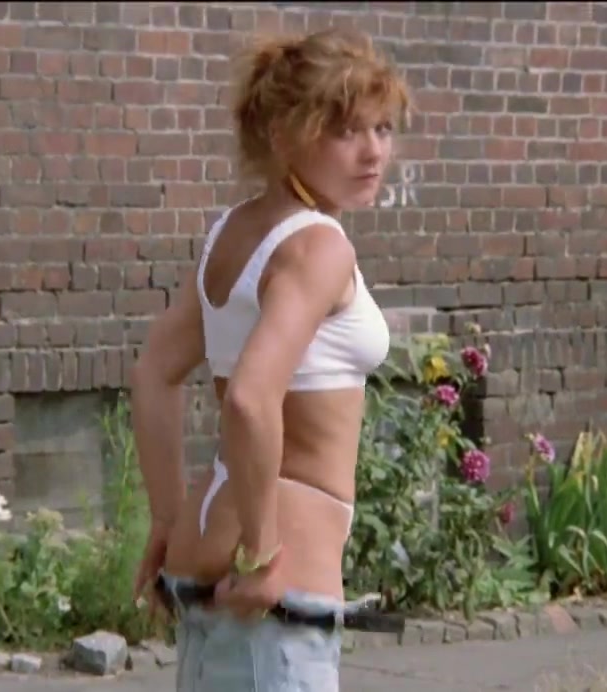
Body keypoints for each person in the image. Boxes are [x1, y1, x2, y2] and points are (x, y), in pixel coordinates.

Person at [127, 25, 411, 692]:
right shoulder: (319, 247)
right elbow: (252, 398)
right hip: (274, 592)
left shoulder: (234, 232)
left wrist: (167, 518)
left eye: (383, 128)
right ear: (284, 135)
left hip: (204, 568)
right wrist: (260, 552)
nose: (373, 151)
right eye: (345, 131)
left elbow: (154, 373)